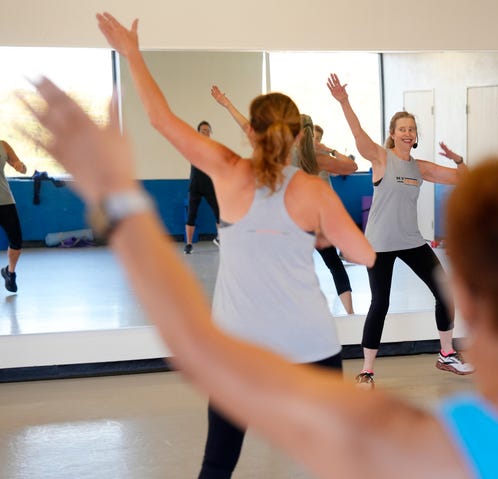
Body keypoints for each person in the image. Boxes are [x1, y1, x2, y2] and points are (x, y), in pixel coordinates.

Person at [27, 76, 498, 478]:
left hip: (330, 289)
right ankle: (371, 351)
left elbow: (195, 346)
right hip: (352, 264)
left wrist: (117, 197)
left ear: (464, 291)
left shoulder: (420, 445)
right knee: (371, 303)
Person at [95, 13, 375, 479]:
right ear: (299, 136)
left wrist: (132, 54)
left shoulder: (226, 169)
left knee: (219, 462)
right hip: (309, 343)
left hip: (238, 349)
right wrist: (318, 234)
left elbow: (161, 120)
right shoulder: (315, 190)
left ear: (250, 132)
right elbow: (364, 255)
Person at [327, 73, 472, 387]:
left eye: (412, 129)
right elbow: (358, 134)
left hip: (411, 242)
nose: (408, 133)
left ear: (415, 136)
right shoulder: (382, 159)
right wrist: (344, 102)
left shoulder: (420, 168)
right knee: (380, 303)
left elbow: (463, 178)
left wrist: (459, 160)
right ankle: (367, 369)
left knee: (444, 293)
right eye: (402, 129)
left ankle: (446, 354)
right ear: (392, 135)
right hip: (379, 244)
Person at [211, 86, 357, 314]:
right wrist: (329, 150)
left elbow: (248, 129)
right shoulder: (319, 159)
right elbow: (352, 166)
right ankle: (349, 313)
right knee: (334, 265)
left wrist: (227, 104)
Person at [184, 120, 220, 254]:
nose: (205, 132)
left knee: (219, 213)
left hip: (209, 185)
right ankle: (188, 244)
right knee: (191, 216)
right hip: (195, 185)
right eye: (203, 130)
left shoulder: (213, 147)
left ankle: (219, 238)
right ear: (198, 132)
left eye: (207, 130)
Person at [0, 140, 27, 293]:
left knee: (16, 240)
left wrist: (20, 166)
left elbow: (22, 168)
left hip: (5, 201)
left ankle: (10, 273)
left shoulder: (3, 145)